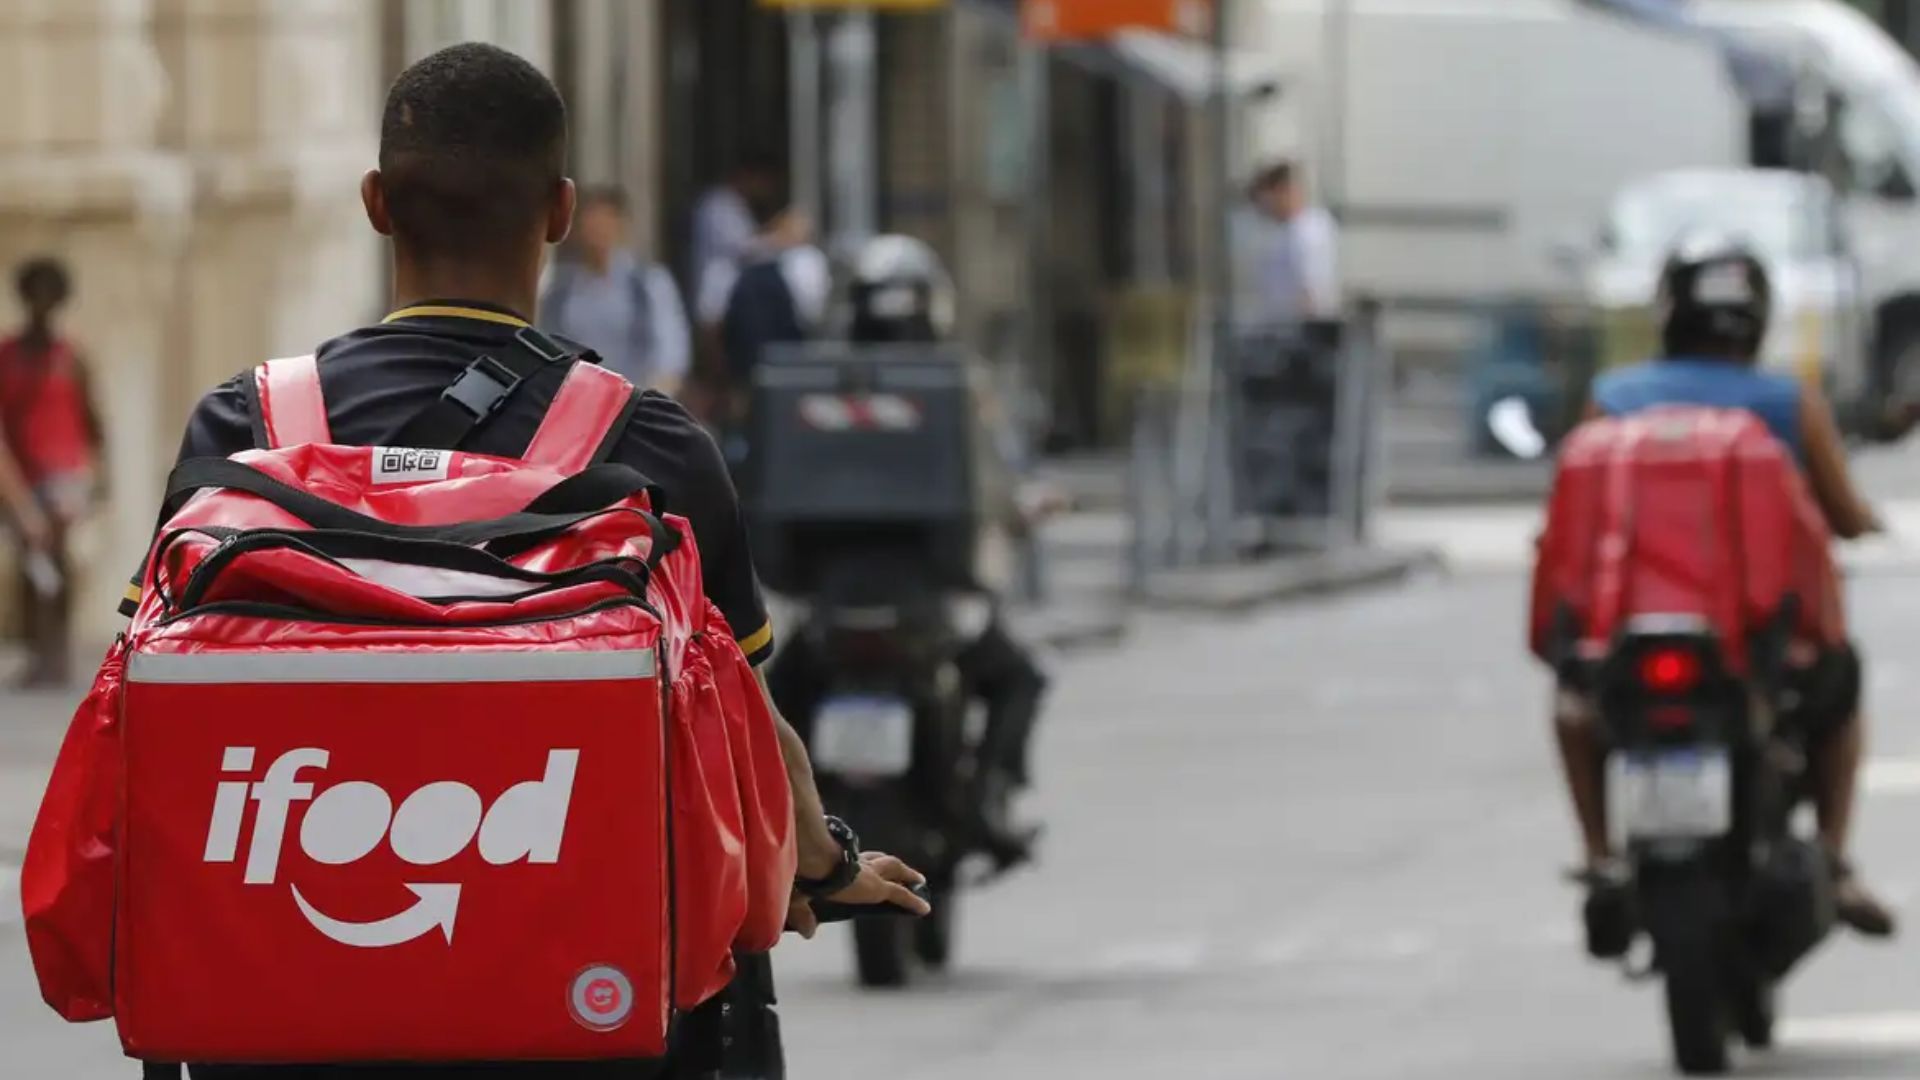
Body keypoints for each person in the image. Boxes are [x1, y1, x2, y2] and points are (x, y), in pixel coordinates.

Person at [129, 42, 927, 1078]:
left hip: (290, 1025)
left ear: (377, 203)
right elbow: (738, 720)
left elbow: (157, 705)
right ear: (558, 212)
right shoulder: (647, 447)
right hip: (575, 1029)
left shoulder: (247, 425)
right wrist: (825, 865)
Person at [1562, 234, 1895, 940]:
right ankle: (1835, 860)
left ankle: (1598, 855)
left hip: (1625, 637)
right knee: (1842, 695)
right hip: (1758, 645)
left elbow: (1571, 519)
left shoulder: (1613, 398)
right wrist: (1865, 522)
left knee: (1573, 705)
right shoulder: (1786, 403)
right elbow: (1841, 512)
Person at [765, 235, 1049, 867]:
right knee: (1020, 677)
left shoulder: (807, 387)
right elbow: (991, 486)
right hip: (928, 605)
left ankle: (765, 824)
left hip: (829, 606)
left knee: (766, 706)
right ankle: (993, 798)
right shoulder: (952, 388)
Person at [0, 257, 104, 689]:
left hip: (67, 479)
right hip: (22, 478)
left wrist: (98, 479)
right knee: (33, 564)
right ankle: (39, 652)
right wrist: (17, 497)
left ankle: (57, 653)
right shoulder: (7, 358)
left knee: (58, 561)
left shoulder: (72, 357)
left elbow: (94, 421)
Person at [696, 204, 831, 454]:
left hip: (784, 363)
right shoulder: (734, 264)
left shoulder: (803, 264)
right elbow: (713, 324)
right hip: (744, 366)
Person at [539, 185, 693, 395]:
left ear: (621, 225)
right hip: (577, 402)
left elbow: (670, 354)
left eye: (605, 221)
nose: (597, 230)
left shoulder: (647, 283)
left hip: (634, 400)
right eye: (590, 221)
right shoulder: (561, 290)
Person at [1241, 160, 1342, 328]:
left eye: (1266, 200)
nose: (1264, 209)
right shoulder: (1283, 231)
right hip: (1281, 328)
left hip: (1302, 332)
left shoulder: (1307, 232)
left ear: (1282, 192)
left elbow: (1310, 292)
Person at [689, 153, 781, 305]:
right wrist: (780, 238)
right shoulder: (718, 203)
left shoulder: (737, 204)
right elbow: (742, 247)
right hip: (717, 297)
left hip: (734, 296)